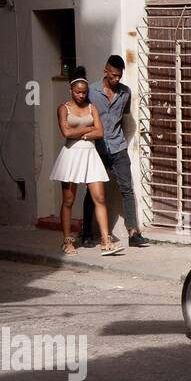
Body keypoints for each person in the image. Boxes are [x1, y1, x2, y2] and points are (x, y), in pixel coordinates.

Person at [50, 68, 124, 257]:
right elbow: (66, 133)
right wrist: (87, 129)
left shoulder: (92, 108)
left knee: (99, 198)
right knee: (69, 200)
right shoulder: (63, 108)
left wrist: (81, 132)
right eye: (78, 92)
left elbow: (100, 132)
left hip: (90, 154)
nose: (81, 95)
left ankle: (106, 241)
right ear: (71, 90)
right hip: (71, 155)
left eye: (84, 92)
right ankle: (67, 242)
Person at [79, 55, 149, 248]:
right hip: (97, 148)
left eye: (119, 76)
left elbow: (124, 117)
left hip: (118, 147)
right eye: (113, 75)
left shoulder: (125, 93)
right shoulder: (91, 92)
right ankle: (85, 232)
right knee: (91, 192)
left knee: (127, 189)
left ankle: (133, 233)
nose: (116, 79)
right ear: (105, 71)